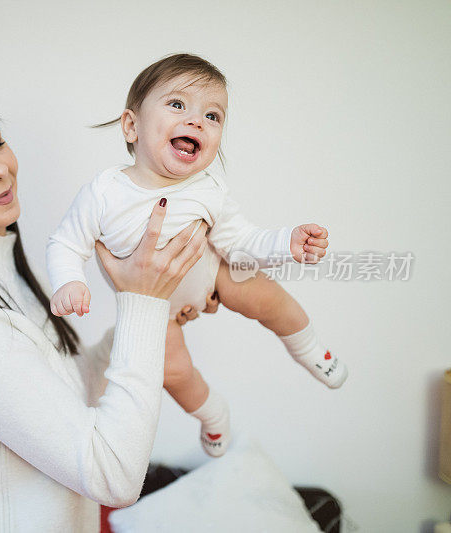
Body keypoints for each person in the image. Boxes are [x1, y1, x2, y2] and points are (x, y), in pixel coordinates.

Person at [0, 80, 212, 532]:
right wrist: (143, 303)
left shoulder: (0, 275)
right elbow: (113, 475)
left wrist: (152, 318)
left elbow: (60, 395)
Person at [46, 53, 349, 458]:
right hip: (154, 309)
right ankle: (212, 415)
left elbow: (242, 241)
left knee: (268, 298)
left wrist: (286, 244)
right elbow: (66, 244)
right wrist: (70, 280)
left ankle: (311, 350)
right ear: (131, 125)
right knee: (173, 373)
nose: (196, 121)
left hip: (213, 276)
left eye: (213, 116)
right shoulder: (103, 193)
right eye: (177, 105)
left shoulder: (208, 189)